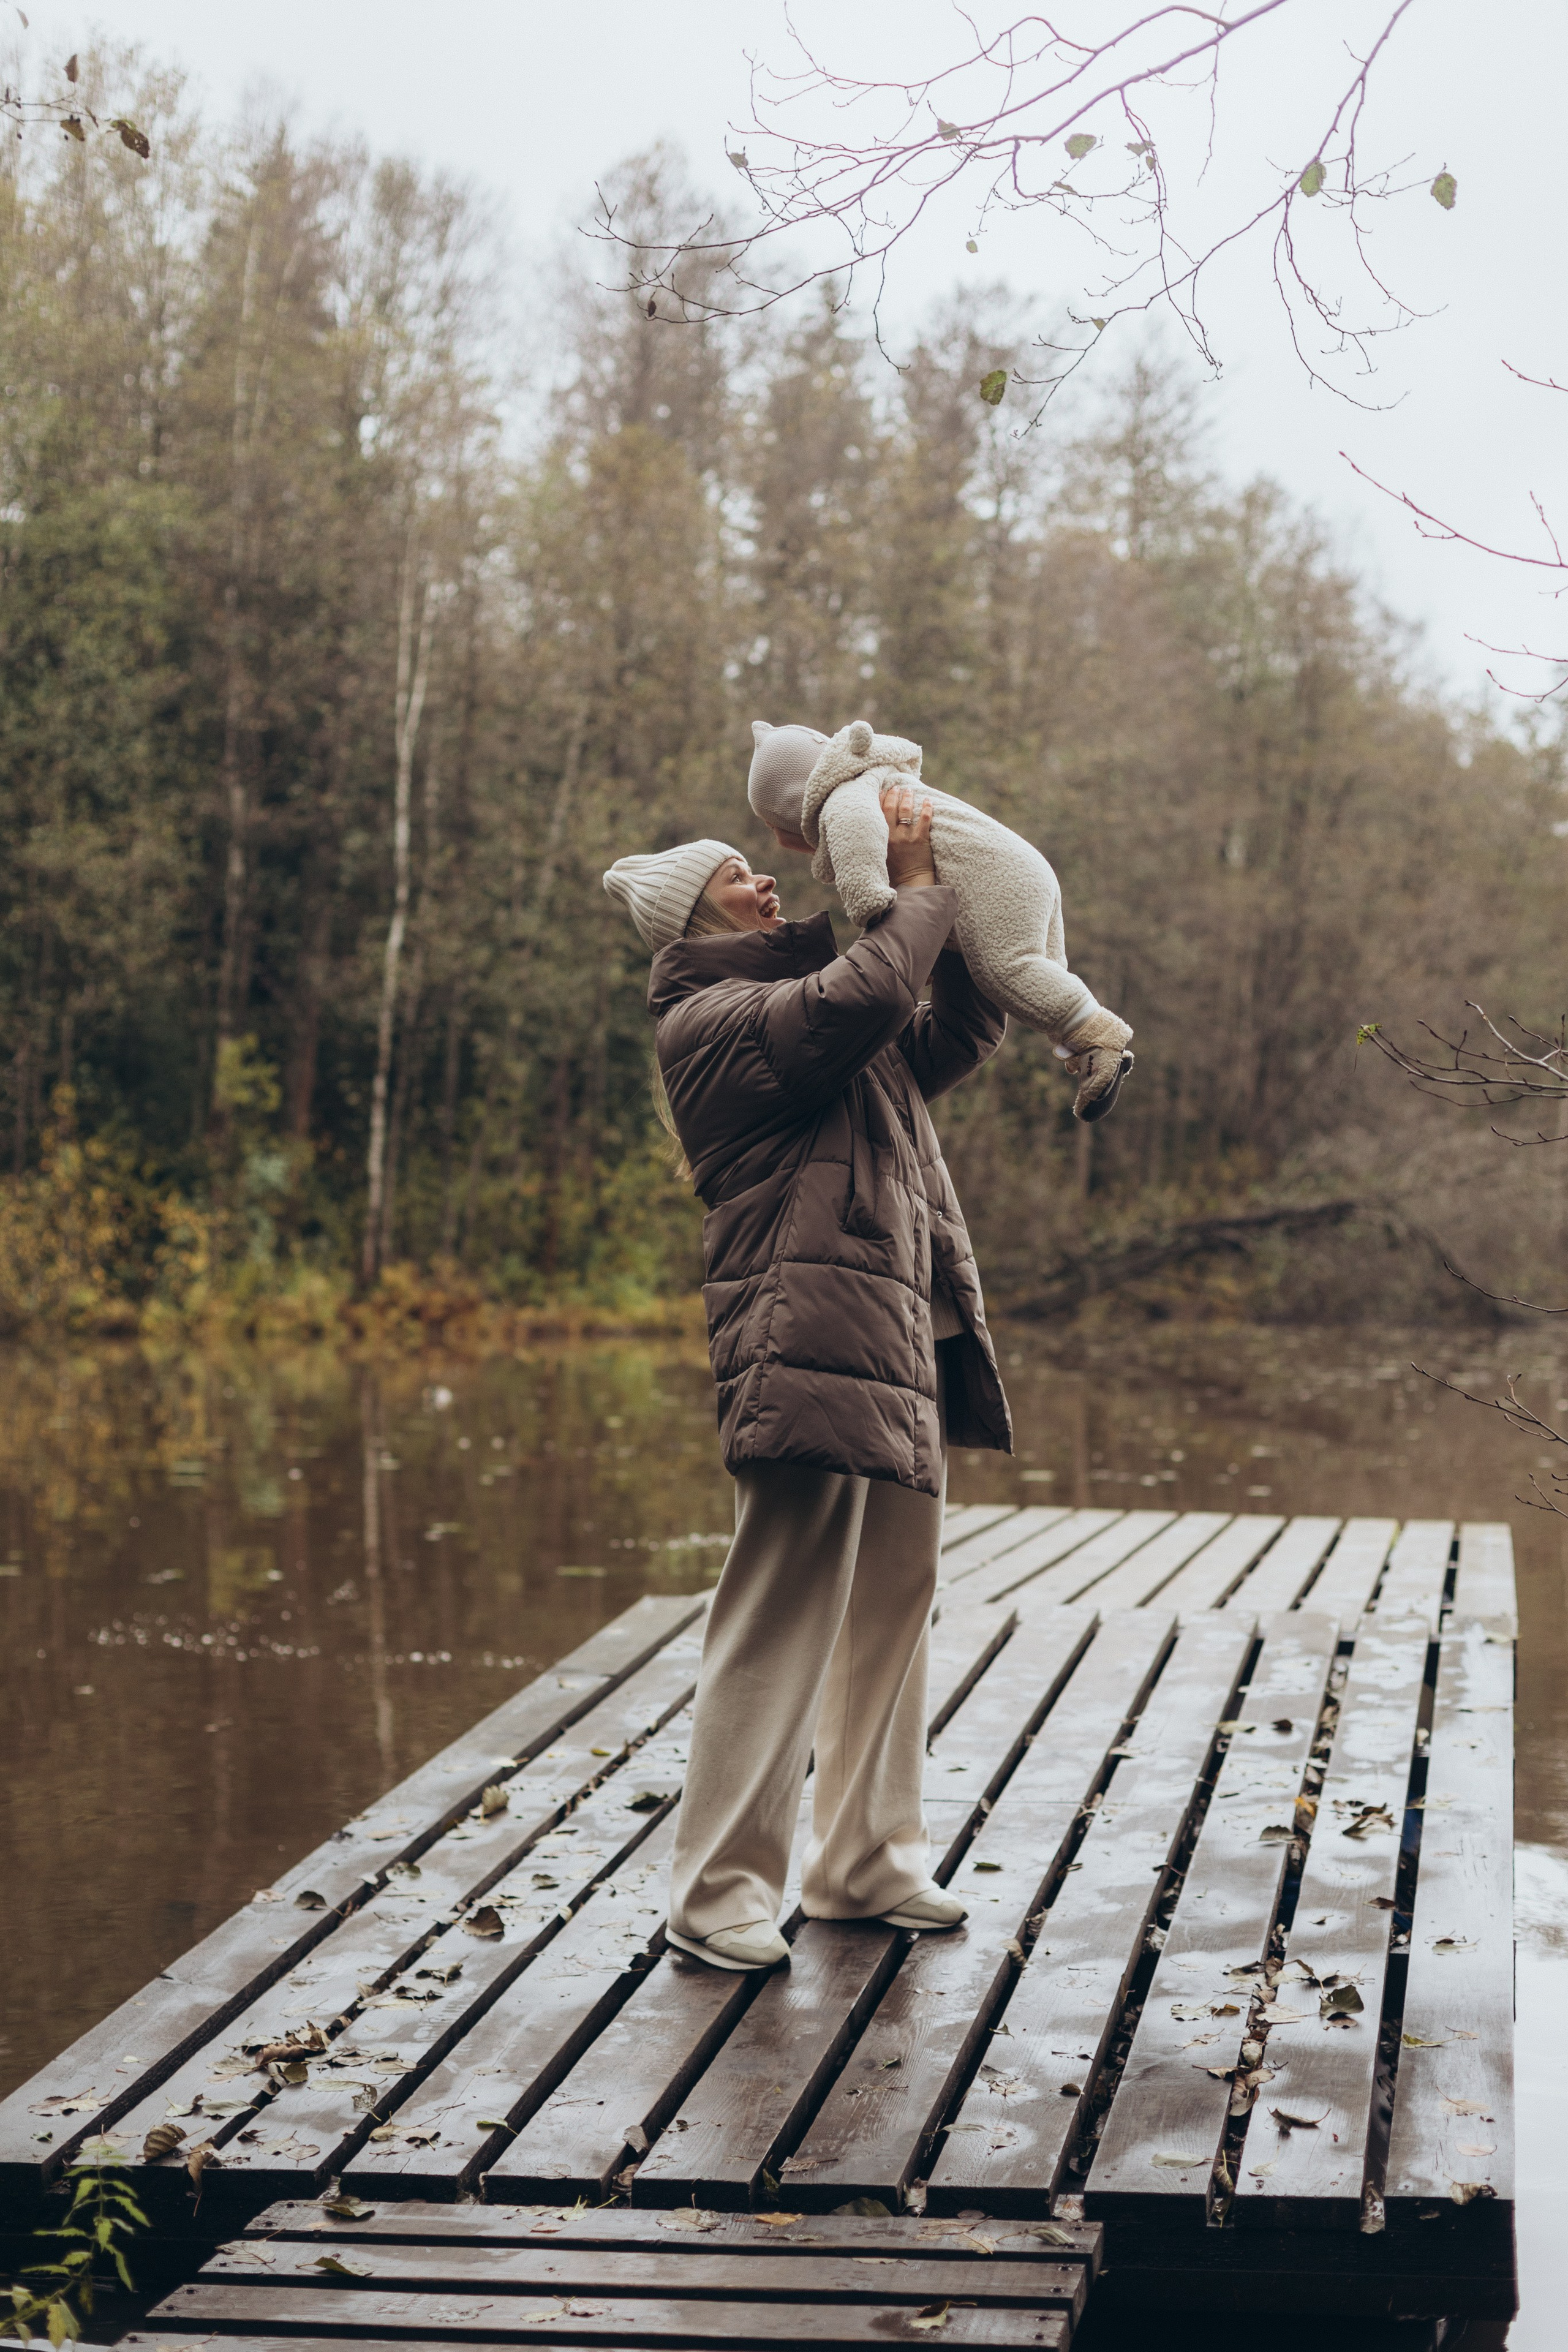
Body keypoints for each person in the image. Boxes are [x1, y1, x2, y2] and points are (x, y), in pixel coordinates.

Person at [601, 783, 1012, 1972]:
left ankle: (862, 1862)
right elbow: (870, 993)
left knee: (893, 1597)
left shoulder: (809, 1007)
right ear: (695, 920)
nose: (765, 878)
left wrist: (970, 913)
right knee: (779, 1606)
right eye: (737, 875)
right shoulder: (716, 1020)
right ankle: (717, 1891)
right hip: (804, 1335)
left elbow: (948, 1034)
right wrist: (913, 887)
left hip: (894, 1331)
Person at [747, 716, 1134, 1122]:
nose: (777, 839)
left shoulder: (846, 799)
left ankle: (1098, 1036)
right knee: (1043, 972)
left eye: (772, 825)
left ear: (793, 804)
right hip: (1023, 870)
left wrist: (872, 907)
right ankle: (1085, 1044)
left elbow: (857, 838)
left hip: (1000, 881)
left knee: (1007, 969)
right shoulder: (881, 779)